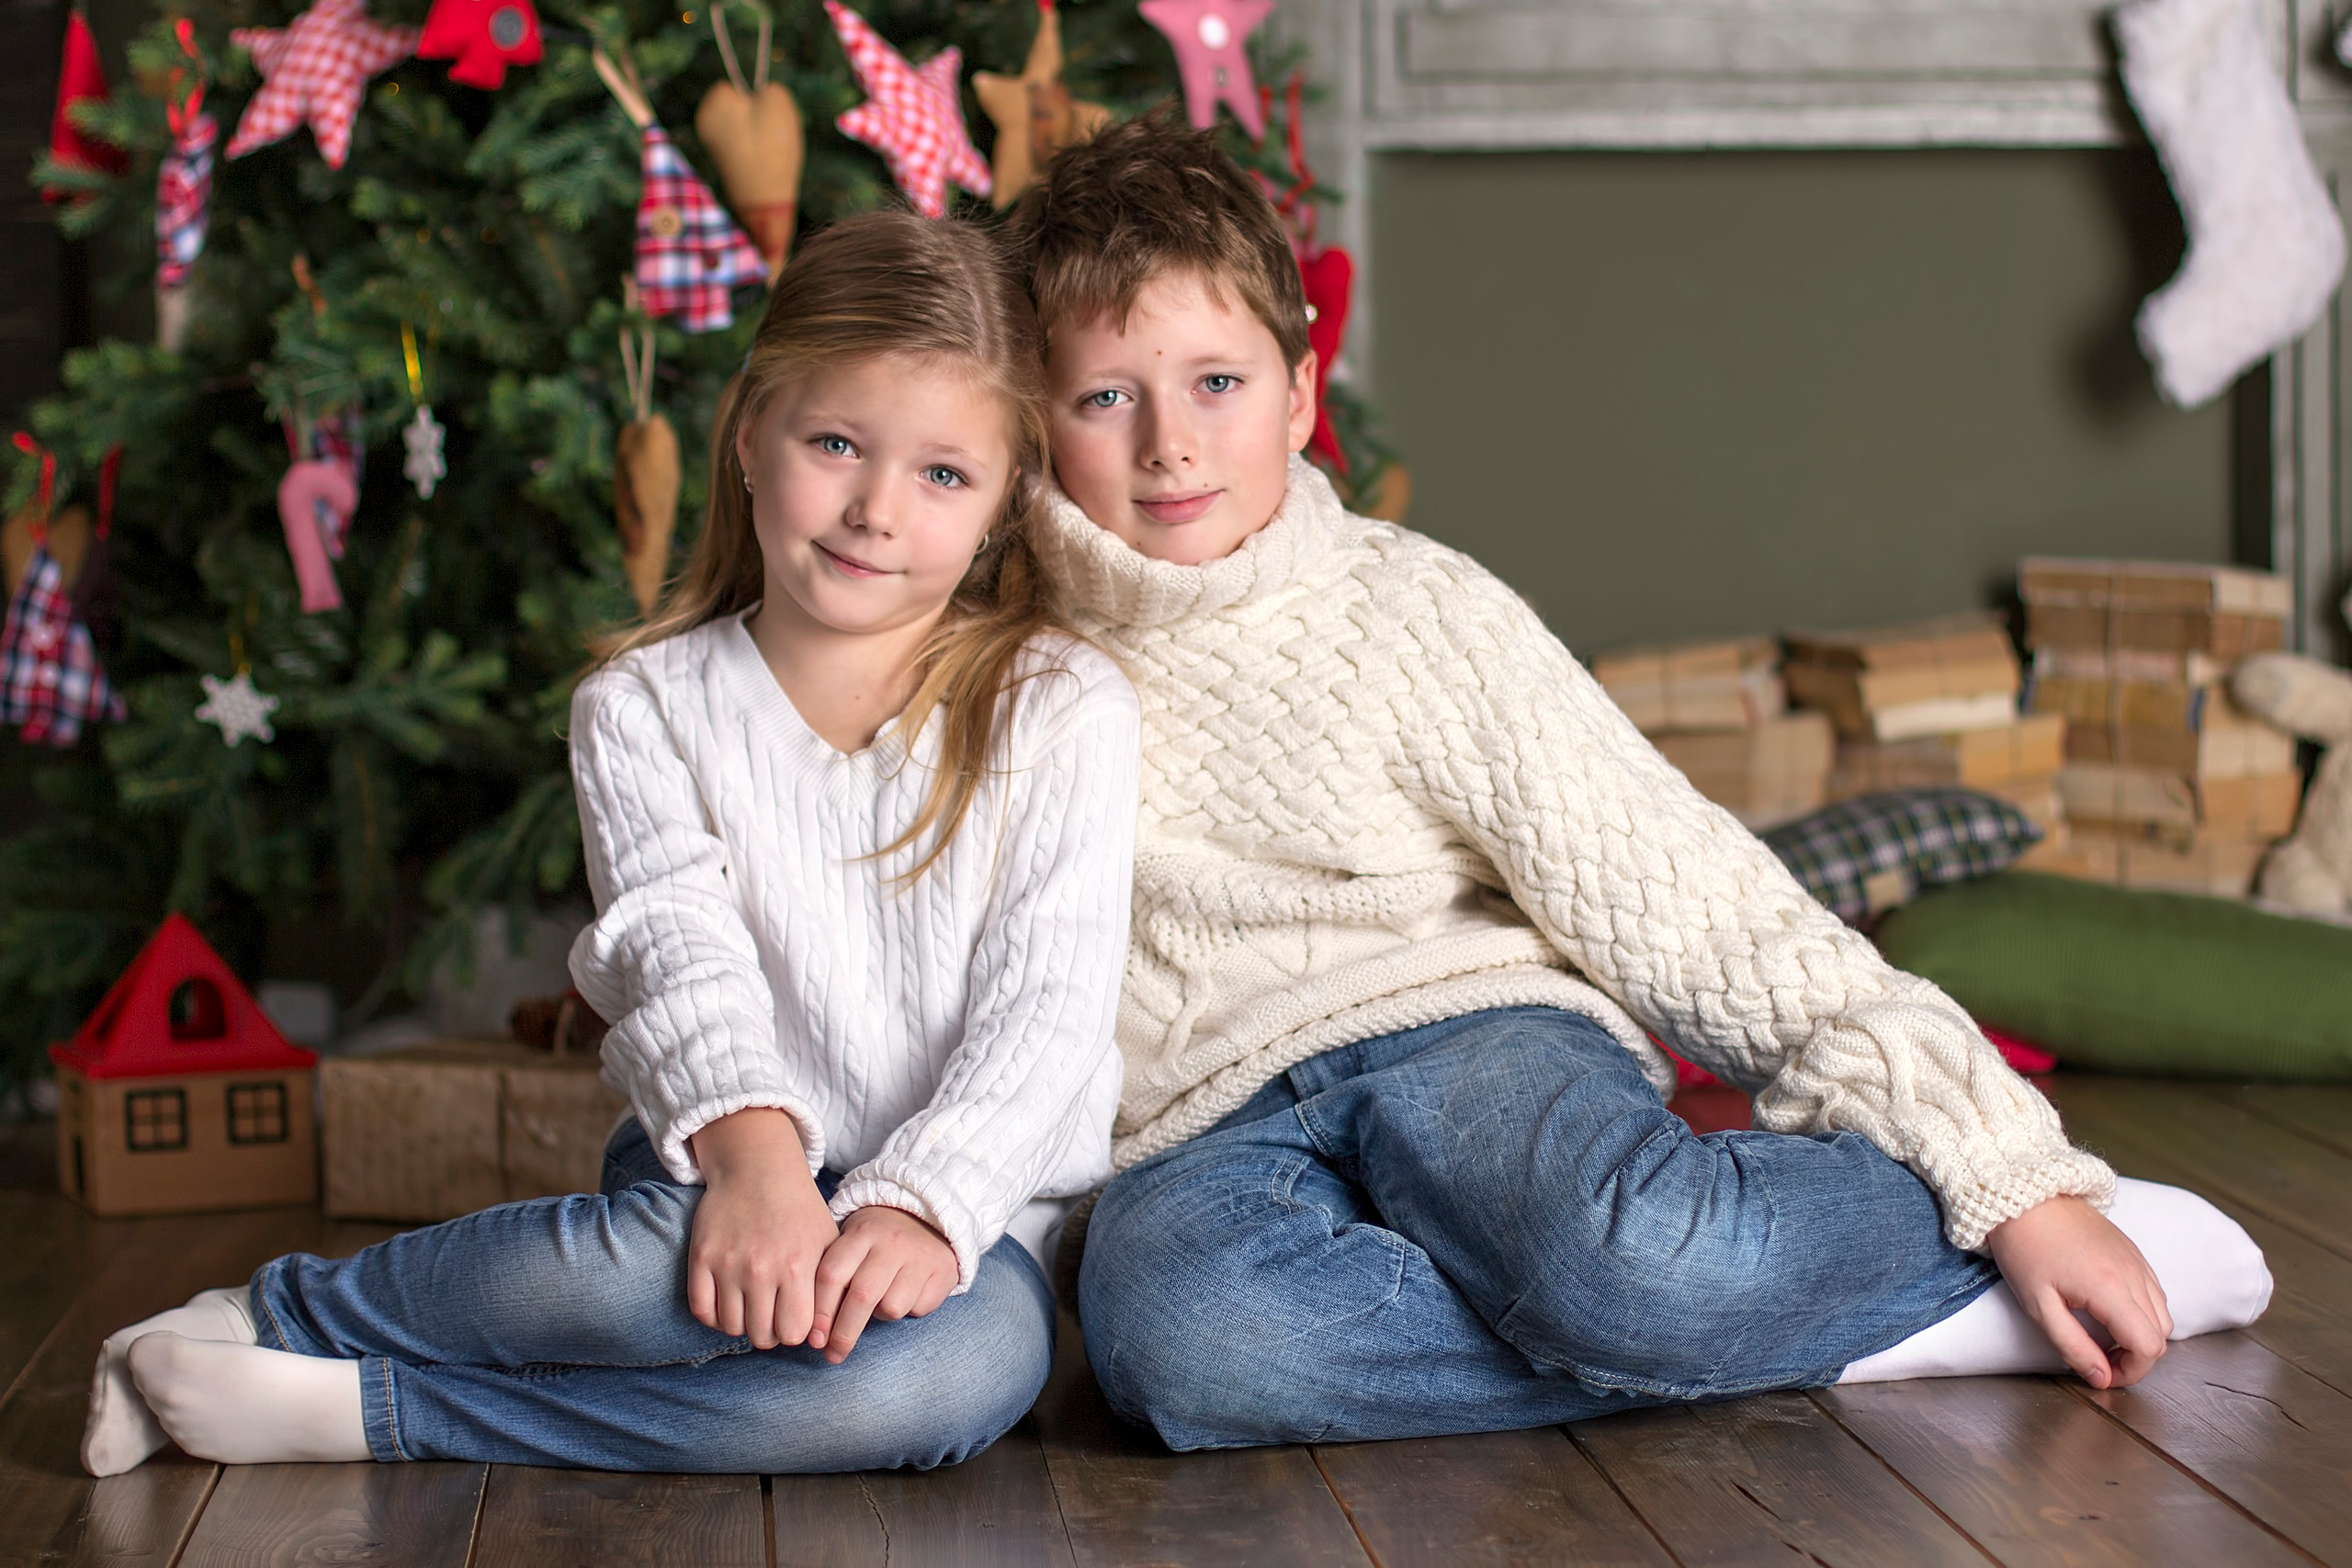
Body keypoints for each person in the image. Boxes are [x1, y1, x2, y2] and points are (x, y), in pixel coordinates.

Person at [1002, 115, 2272, 1450]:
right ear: (1035, 423)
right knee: (1178, 1345)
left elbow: (1688, 893)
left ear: (1302, 396)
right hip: (1201, 1117)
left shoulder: (1409, 610)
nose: (1171, 444)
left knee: (1636, 1261)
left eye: (1218, 382)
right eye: (1107, 398)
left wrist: (2010, 1177)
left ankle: (1979, 1235)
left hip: (1464, 1032)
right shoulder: (994, 655)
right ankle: (1871, 1323)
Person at [80, 211, 1139, 1477]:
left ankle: (373, 1409)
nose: (875, 511)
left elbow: (1048, 1008)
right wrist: (756, 1171)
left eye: (944, 476)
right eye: (836, 445)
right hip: (718, 1155)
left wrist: (920, 1204)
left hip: (969, 1208)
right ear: (749, 433)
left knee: (942, 1383)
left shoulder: (1060, 705)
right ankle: (270, 1318)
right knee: (635, 1284)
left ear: (1006, 502)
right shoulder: (645, 707)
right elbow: (678, 956)